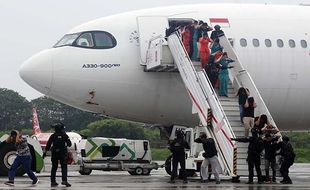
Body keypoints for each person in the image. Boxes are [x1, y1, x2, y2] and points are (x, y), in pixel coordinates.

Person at [44, 122, 72, 187]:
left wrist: (45, 153)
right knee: (64, 167)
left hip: (54, 153)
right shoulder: (65, 135)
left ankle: (53, 182)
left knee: (54, 167)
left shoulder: (53, 136)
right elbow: (69, 144)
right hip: (62, 153)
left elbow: (48, 145)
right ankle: (64, 180)